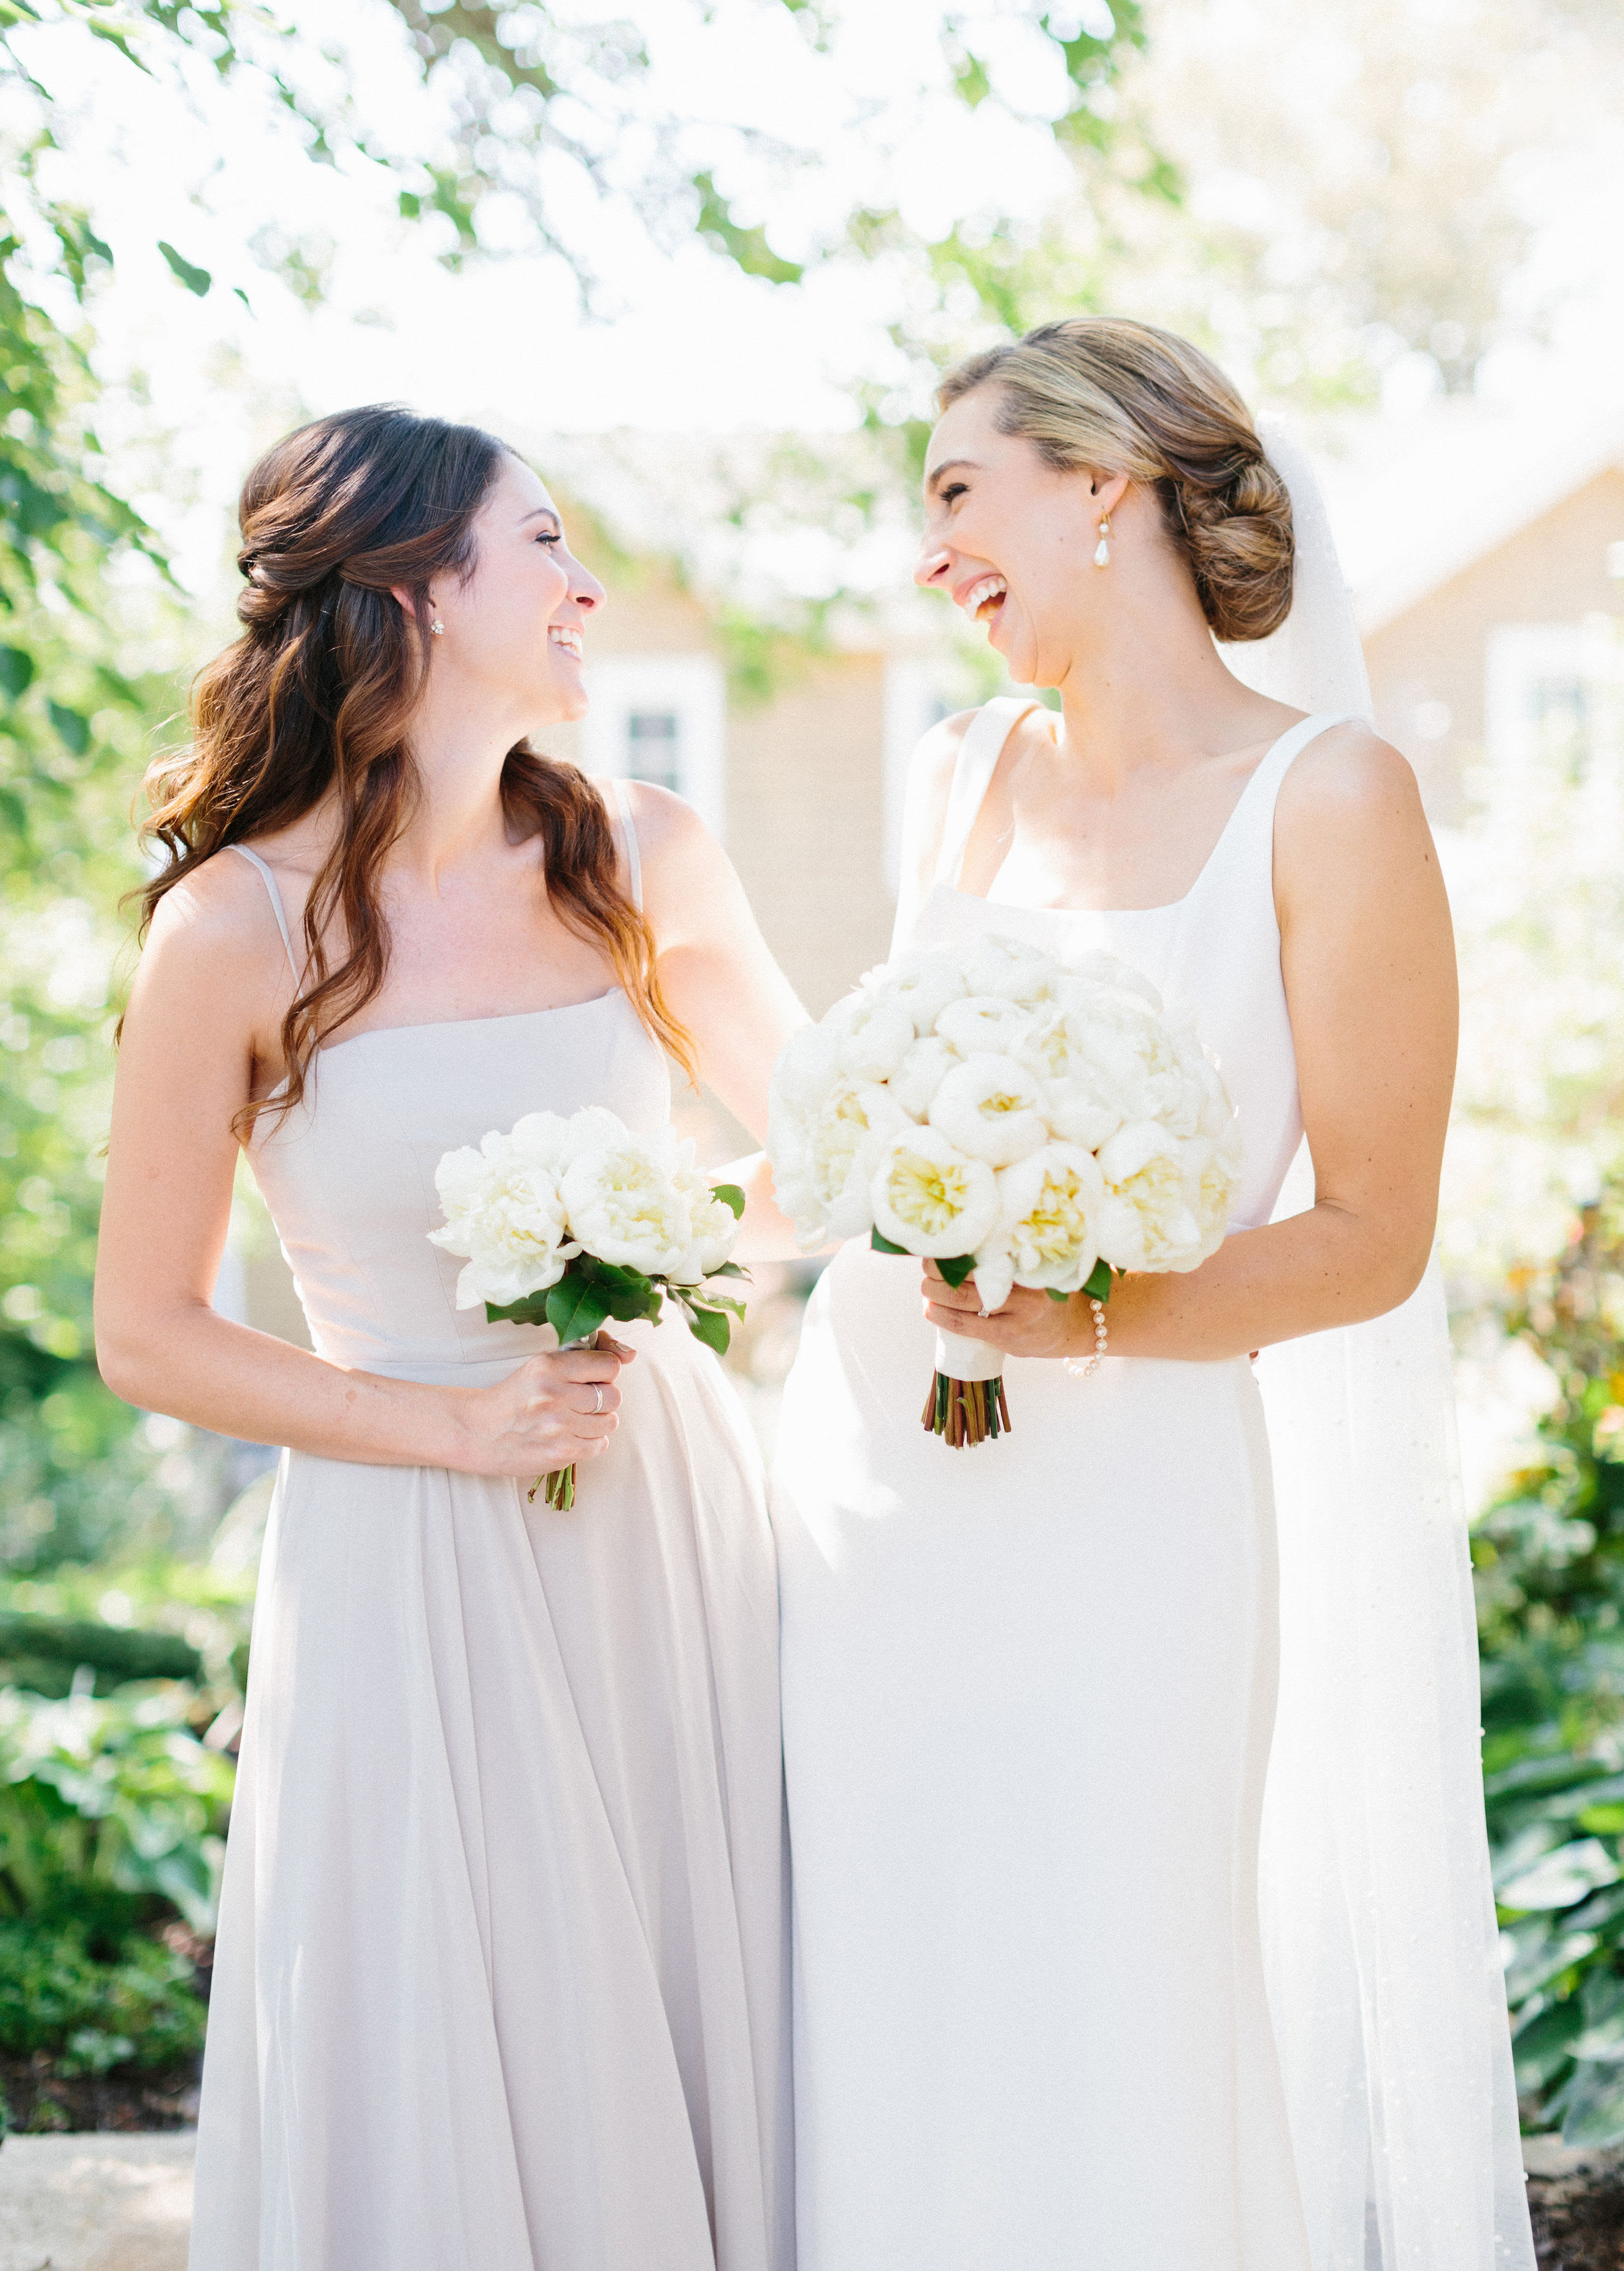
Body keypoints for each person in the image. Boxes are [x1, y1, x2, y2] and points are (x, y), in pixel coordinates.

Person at [771, 319, 1533, 2270]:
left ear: (1103, 488)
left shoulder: (1330, 796)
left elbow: (1373, 1231)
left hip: (1133, 1510)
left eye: (961, 492)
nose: (931, 552)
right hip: (872, 1499)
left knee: (1120, 1985)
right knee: (885, 1976)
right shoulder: (957, 773)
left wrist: (1091, 1314)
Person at [94, 405, 805, 2271]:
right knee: (460, 2033)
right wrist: (453, 1432)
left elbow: (823, 1158)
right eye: (546, 544)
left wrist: (675, 1240)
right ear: (416, 588)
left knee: (686, 1993)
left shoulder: (642, 853)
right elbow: (147, 1334)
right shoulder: (233, 928)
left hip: (660, 1515)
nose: (587, 589)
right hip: (405, 1542)